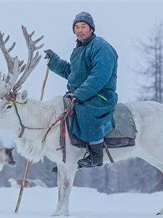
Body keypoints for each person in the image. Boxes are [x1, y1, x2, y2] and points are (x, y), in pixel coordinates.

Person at [44, 12, 118, 168]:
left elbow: (100, 75)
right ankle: (69, 154)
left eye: (83, 26)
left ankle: (95, 155)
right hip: (82, 93)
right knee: (63, 110)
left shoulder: (100, 46)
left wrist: (79, 94)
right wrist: (55, 62)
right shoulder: (79, 50)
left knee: (84, 110)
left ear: (91, 28)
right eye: (76, 27)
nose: (79, 30)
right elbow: (73, 74)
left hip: (100, 94)